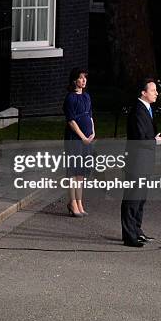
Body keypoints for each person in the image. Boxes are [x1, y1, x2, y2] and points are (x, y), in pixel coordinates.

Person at [121, 77, 161, 247]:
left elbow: (147, 135)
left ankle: (137, 230)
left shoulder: (147, 108)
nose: (156, 93)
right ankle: (129, 236)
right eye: (153, 90)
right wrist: (156, 141)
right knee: (133, 198)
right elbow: (139, 139)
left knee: (141, 198)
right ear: (143, 93)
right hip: (137, 161)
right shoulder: (137, 111)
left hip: (145, 161)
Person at [63, 68, 95, 217]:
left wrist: (92, 132)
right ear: (74, 80)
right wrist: (82, 136)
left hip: (87, 139)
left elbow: (90, 115)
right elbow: (71, 121)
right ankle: (72, 202)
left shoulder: (87, 96)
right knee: (73, 172)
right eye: (81, 78)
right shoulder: (70, 98)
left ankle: (79, 202)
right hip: (75, 139)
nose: (84, 80)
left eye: (85, 78)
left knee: (81, 173)